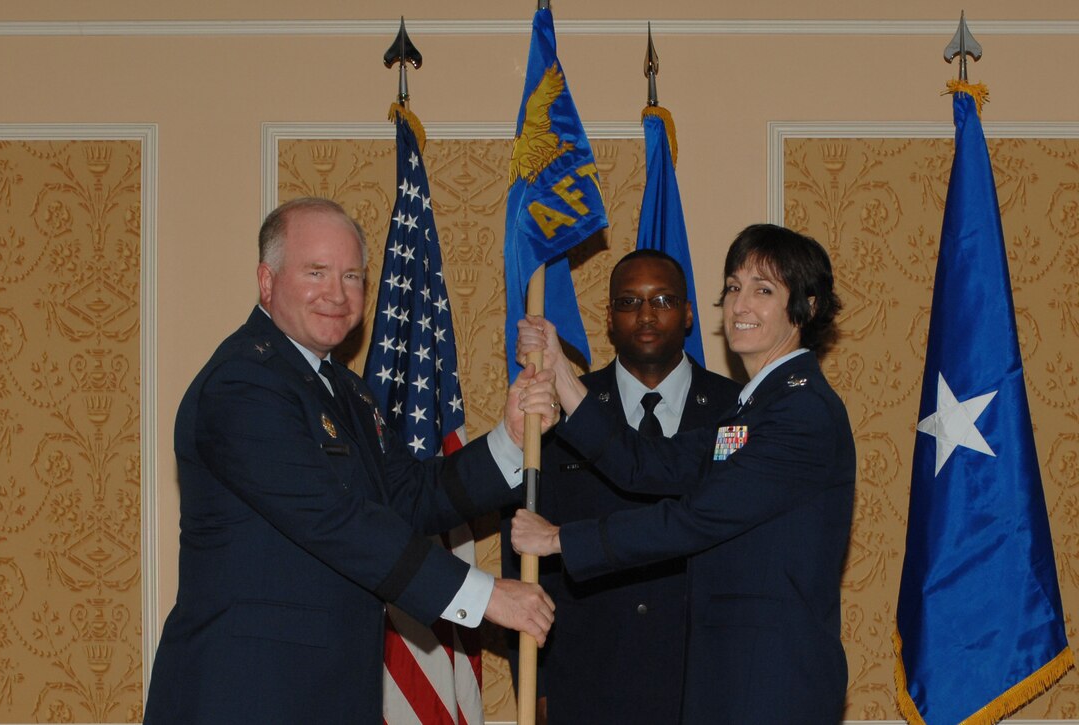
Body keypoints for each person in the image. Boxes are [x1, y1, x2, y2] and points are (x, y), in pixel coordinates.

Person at [145, 197, 558, 724]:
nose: (337, 295)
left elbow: (408, 496)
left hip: (329, 695)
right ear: (267, 281)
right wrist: (482, 596)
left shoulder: (344, 390)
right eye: (316, 272)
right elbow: (333, 518)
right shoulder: (243, 384)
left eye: (352, 276)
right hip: (245, 694)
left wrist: (509, 438)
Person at [513, 223, 855, 724]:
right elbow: (646, 462)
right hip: (727, 681)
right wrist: (563, 377)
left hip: (769, 686)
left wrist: (561, 539)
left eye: (763, 290)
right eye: (733, 288)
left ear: (805, 306)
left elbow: (694, 519)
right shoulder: (758, 408)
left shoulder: (800, 414)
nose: (740, 306)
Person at [501, 249, 740, 724]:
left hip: (707, 681)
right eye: (629, 302)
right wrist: (540, 686)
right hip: (587, 680)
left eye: (664, 300)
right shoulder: (551, 413)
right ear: (609, 318)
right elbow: (523, 555)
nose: (646, 315)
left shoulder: (736, 413)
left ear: (689, 313)